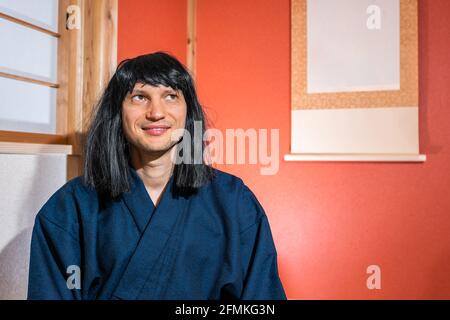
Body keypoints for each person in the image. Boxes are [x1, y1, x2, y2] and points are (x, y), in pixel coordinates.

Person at [27, 52, 286, 300]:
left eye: (171, 96)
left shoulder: (234, 202)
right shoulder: (69, 209)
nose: (156, 112)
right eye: (139, 97)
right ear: (117, 112)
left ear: (188, 112)